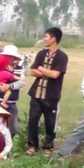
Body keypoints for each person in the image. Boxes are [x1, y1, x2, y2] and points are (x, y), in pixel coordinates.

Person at [26, 27, 69, 156]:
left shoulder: (62, 57)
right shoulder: (41, 54)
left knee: (50, 122)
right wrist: (46, 72)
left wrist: (40, 68)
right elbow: (32, 72)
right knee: (33, 120)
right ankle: (32, 145)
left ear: (53, 39)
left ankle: (48, 146)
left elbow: (55, 75)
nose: (44, 39)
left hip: (51, 95)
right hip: (36, 93)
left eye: (46, 36)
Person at [0, 45, 25, 136]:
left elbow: (22, 82)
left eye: (11, 56)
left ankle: (7, 144)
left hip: (12, 101)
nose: (10, 58)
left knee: (14, 128)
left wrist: (9, 86)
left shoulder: (19, 68)